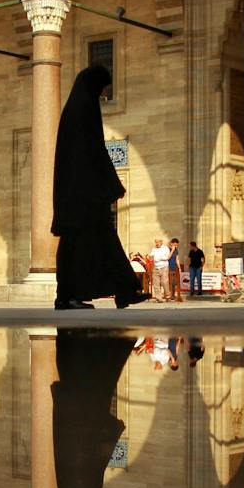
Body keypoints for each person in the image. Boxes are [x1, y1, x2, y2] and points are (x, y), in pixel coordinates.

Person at [51, 64, 149, 310]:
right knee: (81, 245)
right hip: (82, 195)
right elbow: (93, 152)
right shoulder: (83, 110)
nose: (105, 93)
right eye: (103, 87)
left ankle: (124, 290)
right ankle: (68, 297)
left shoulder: (78, 109)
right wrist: (111, 184)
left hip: (81, 194)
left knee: (103, 240)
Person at [52, 330, 133, 488]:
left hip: (83, 415)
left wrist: (109, 434)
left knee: (93, 368)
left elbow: (91, 462)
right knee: (82, 366)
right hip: (75, 413)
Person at [148, 238, 171, 302]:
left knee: (164, 282)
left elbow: (167, 257)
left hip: (164, 267)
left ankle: (167, 295)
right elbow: (151, 257)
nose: (156, 244)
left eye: (157, 242)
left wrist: (158, 258)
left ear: (161, 242)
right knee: (156, 283)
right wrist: (150, 257)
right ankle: (159, 298)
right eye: (155, 242)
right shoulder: (154, 249)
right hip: (155, 267)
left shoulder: (165, 248)